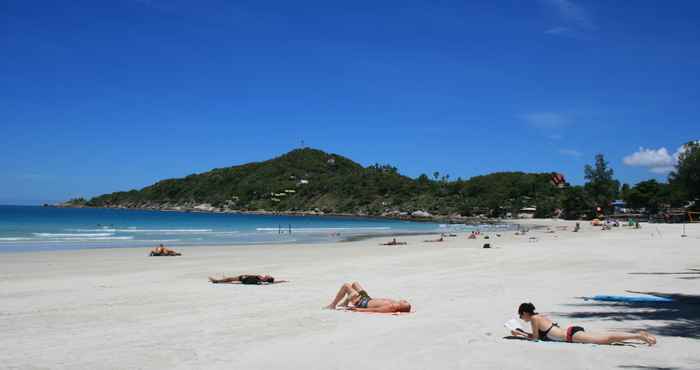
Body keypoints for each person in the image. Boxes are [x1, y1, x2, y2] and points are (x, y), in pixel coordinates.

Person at [515, 302, 656, 345]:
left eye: (521, 316)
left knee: (606, 339)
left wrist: (519, 333)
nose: (522, 319)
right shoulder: (540, 316)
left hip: (571, 336)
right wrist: (521, 332)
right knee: (606, 338)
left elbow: (535, 338)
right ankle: (637, 336)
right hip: (571, 332)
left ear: (526, 313)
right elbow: (539, 335)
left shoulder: (534, 319)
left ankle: (639, 336)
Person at [324, 281, 411, 313]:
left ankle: (332, 305)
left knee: (346, 285)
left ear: (402, 306)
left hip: (361, 303)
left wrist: (359, 309)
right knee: (355, 284)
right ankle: (345, 302)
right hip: (367, 298)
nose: (405, 300)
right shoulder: (395, 303)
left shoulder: (393, 307)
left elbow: (376, 310)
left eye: (405, 302)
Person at [208, 274, 286, 285]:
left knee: (229, 279)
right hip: (244, 277)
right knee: (229, 279)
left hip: (244, 279)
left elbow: (252, 282)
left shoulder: (261, 281)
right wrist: (282, 281)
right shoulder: (263, 280)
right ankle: (220, 280)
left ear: (267, 279)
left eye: (268, 276)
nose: (267, 275)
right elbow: (274, 282)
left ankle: (216, 281)